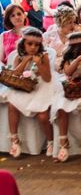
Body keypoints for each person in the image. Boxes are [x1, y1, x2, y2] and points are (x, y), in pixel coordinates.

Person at [51, 32, 81, 162]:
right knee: (62, 108)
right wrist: (78, 60)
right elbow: (68, 72)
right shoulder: (69, 61)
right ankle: (63, 142)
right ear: (79, 49)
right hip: (71, 90)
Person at [6, 27, 55, 159]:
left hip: (41, 86)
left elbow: (47, 78)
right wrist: (26, 60)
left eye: (37, 45)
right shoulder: (18, 56)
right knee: (12, 105)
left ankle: (51, 141)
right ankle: (14, 140)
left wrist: (39, 64)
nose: (33, 47)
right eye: (30, 44)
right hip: (24, 86)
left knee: (43, 116)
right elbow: (15, 74)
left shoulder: (43, 56)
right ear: (23, 43)